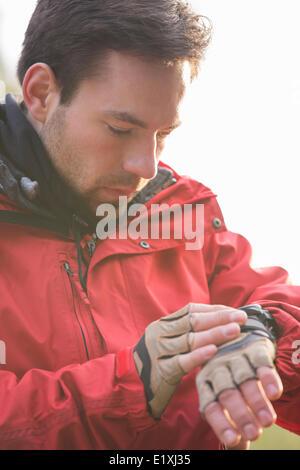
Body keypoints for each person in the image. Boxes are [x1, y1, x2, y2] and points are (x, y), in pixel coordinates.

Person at [0, 0, 299, 451]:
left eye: (164, 135)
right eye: (120, 129)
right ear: (41, 93)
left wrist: (265, 334)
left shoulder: (185, 211)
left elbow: (277, 302)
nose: (146, 165)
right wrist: (135, 381)